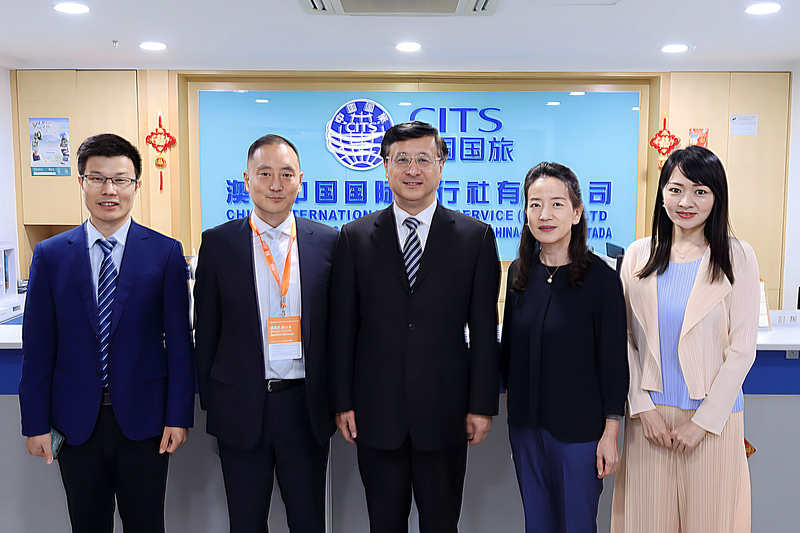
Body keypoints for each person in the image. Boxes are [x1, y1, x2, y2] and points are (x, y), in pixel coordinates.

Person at [329, 120, 501, 533]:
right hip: (376, 414)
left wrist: (481, 405)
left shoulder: (475, 238)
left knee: (441, 524)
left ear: (441, 165)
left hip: (445, 415)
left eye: (423, 159)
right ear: (385, 166)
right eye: (401, 159)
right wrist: (343, 401)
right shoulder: (354, 237)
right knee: (384, 524)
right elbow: (343, 329)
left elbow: (483, 330)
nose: (412, 170)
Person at [19, 133, 195, 533]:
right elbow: (39, 348)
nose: (109, 190)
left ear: (136, 185)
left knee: (146, 524)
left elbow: (179, 345)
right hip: (75, 424)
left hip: (145, 423)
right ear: (81, 182)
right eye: (97, 178)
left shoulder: (165, 253)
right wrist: (35, 423)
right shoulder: (50, 255)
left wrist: (178, 417)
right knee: (87, 524)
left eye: (120, 179)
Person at [611, 145, 759, 532]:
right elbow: (623, 340)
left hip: (713, 424)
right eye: (675, 189)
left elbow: (742, 348)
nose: (685, 202)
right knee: (645, 523)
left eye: (699, 191)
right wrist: (642, 407)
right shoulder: (638, 255)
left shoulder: (738, 256)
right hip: (651, 423)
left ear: (716, 197)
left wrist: (703, 422)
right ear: (662, 194)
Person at [194, 134, 337, 533]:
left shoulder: (328, 242)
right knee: (246, 521)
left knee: (308, 521)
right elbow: (207, 330)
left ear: (300, 181)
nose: (276, 184)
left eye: (286, 174)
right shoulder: (218, 243)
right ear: (247, 179)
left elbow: (338, 329)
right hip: (241, 406)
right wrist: (213, 402)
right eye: (265, 173)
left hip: (304, 407)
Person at [500, 161, 628, 533]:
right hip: (526, 427)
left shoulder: (601, 279)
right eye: (535, 204)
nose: (545, 214)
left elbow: (613, 361)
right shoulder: (519, 274)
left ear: (576, 212)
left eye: (557, 204)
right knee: (537, 523)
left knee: (576, 523)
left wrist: (610, 433)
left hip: (580, 432)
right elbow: (510, 349)